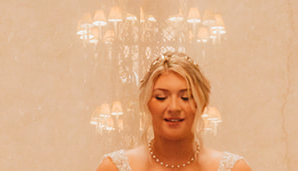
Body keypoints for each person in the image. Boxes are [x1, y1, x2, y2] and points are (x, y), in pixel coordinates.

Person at [95, 52, 251, 171]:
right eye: (161, 97)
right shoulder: (114, 167)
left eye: (186, 97)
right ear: (147, 103)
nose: (174, 108)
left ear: (201, 105)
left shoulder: (234, 168)